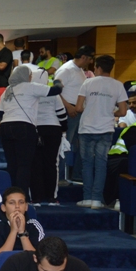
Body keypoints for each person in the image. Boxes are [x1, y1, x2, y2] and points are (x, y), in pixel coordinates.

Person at [0, 65, 62, 195]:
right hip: (24, 127)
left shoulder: (7, 90)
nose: (31, 77)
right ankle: (22, 197)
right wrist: (57, 81)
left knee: (12, 165)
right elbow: (55, 90)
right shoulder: (31, 87)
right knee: (24, 165)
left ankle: (11, 196)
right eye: (30, 75)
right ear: (25, 76)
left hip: (5, 128)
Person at [75, 55, 128, 209]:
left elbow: (78, 107)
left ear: (97, 67)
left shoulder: (88, 82)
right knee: (101, 164)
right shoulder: (118, 85)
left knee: (87, 164)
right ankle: (97, 199)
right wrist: (109, 113)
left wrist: (91, 110)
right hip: (105, 129)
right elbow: (123, 111)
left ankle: (87, 198)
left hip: (86, 128)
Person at [55, 46, 96, 182]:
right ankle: (61, 177)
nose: (91, 62)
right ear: (83, 57)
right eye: (90, 58)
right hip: (68, 111)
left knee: (80, 145)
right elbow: (55, 91)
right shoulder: (66, 69)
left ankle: (77, 175)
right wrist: (68, 106)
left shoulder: (79, 70)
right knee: (64, 144)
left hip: (78, 112)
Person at [31, 88, 69, 204]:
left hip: (35, 129)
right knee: (52, 164)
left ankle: (36, 198)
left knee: (35, 164)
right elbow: (61, 113)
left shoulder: (31, 93)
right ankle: (51, 197)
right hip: (53, 129)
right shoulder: (54, 94)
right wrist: (64, 128)